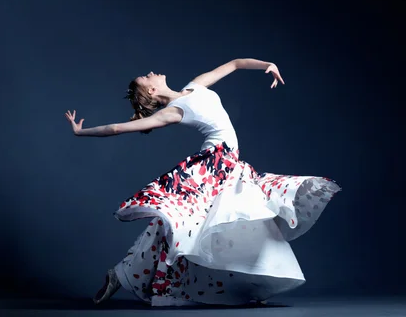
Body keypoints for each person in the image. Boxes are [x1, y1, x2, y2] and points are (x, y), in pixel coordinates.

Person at [64, 58, 340, 307]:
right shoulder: (172, 111)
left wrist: (267, 64)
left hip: (229, 164)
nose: (150, 72)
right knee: (190, 223)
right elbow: (117, 128)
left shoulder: (194, 87)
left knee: (231, 221)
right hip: (212, 165)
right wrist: (81, 132)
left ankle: (241, 287)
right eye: (146, 77)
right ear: (150, 91)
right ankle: (124, 274)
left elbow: (234, 64)